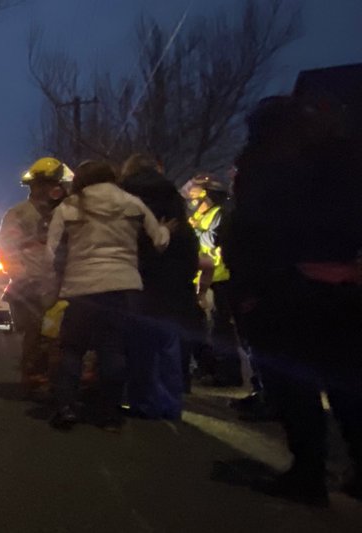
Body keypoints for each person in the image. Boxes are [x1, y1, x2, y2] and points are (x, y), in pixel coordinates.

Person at [224, 95, 362, 506]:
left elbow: (249, 226)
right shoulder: (346, 159)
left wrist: (248, 290)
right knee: (347, 385)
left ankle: (308, 475)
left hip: (282, 288)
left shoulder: (262, 164)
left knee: (294, 387)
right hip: (344, 286)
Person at [46, 161, 172, 431]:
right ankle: (109, 415)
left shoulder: (69, 206)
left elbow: (51, 251)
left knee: (72, 349)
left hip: (80, 288)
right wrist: (167, 231)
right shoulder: (131, 202)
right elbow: (158, 241)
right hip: (119, 287)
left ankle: (66, 408)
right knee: (112, 349)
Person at [119, 154, 201, 419]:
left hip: (137, 278)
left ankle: (142, 401)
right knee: (168, 345)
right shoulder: (172, 198)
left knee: (139, 345)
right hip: (172, 283)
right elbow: (187, 243)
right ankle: (170, 403)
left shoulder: (124, 197)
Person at [0, 156, 72, 399]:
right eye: (47, 183)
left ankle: (53, 378)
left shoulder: (66, 212)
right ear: (35, 185)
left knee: (58, 336)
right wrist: (21, 275)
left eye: (55, 183)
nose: (52, 189)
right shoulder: (18, 214)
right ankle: (34, 378)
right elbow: (6, 248)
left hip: (62, 284)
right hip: (30, 285)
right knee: (36, 333)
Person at [191, 177, 244, 387]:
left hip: (219, 277)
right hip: (206, 276)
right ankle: (214, 369)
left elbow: (212, 240)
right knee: (211, 327)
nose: (193, 201)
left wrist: (194, 230)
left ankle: (229, 373)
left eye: (198, 196)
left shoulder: (218, 214)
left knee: (221, 327)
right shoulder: (202, 215)